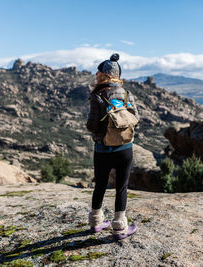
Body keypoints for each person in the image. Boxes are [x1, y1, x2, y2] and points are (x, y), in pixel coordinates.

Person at [86, 53, 139, 240]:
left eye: (98, 72)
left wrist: (101, 127)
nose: (96, 74)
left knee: (100, 185)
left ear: (103, 75)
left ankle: (96, 223)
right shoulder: (126, 94)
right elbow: (136, 118)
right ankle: (119, 227)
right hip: (125, 148)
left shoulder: (97, 95)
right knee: (121, 187)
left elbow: (91, 125)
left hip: (102, 149)